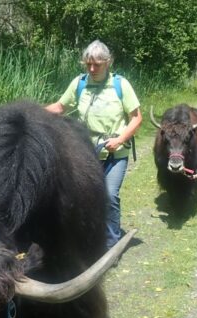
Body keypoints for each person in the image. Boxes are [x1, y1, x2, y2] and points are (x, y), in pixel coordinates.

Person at [46, 40, 142, 250]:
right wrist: (32, 114)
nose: (91, 69)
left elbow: (136, 118)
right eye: (88, 64)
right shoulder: (79, 83)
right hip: (86, 153)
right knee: (82, 195)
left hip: (115, 153)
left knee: (109, 195)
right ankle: (87, 237)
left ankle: (110, 244)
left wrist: (120, 139)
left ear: (108, 62)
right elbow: (60, 107)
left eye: (97, 64)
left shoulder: (120, 85)